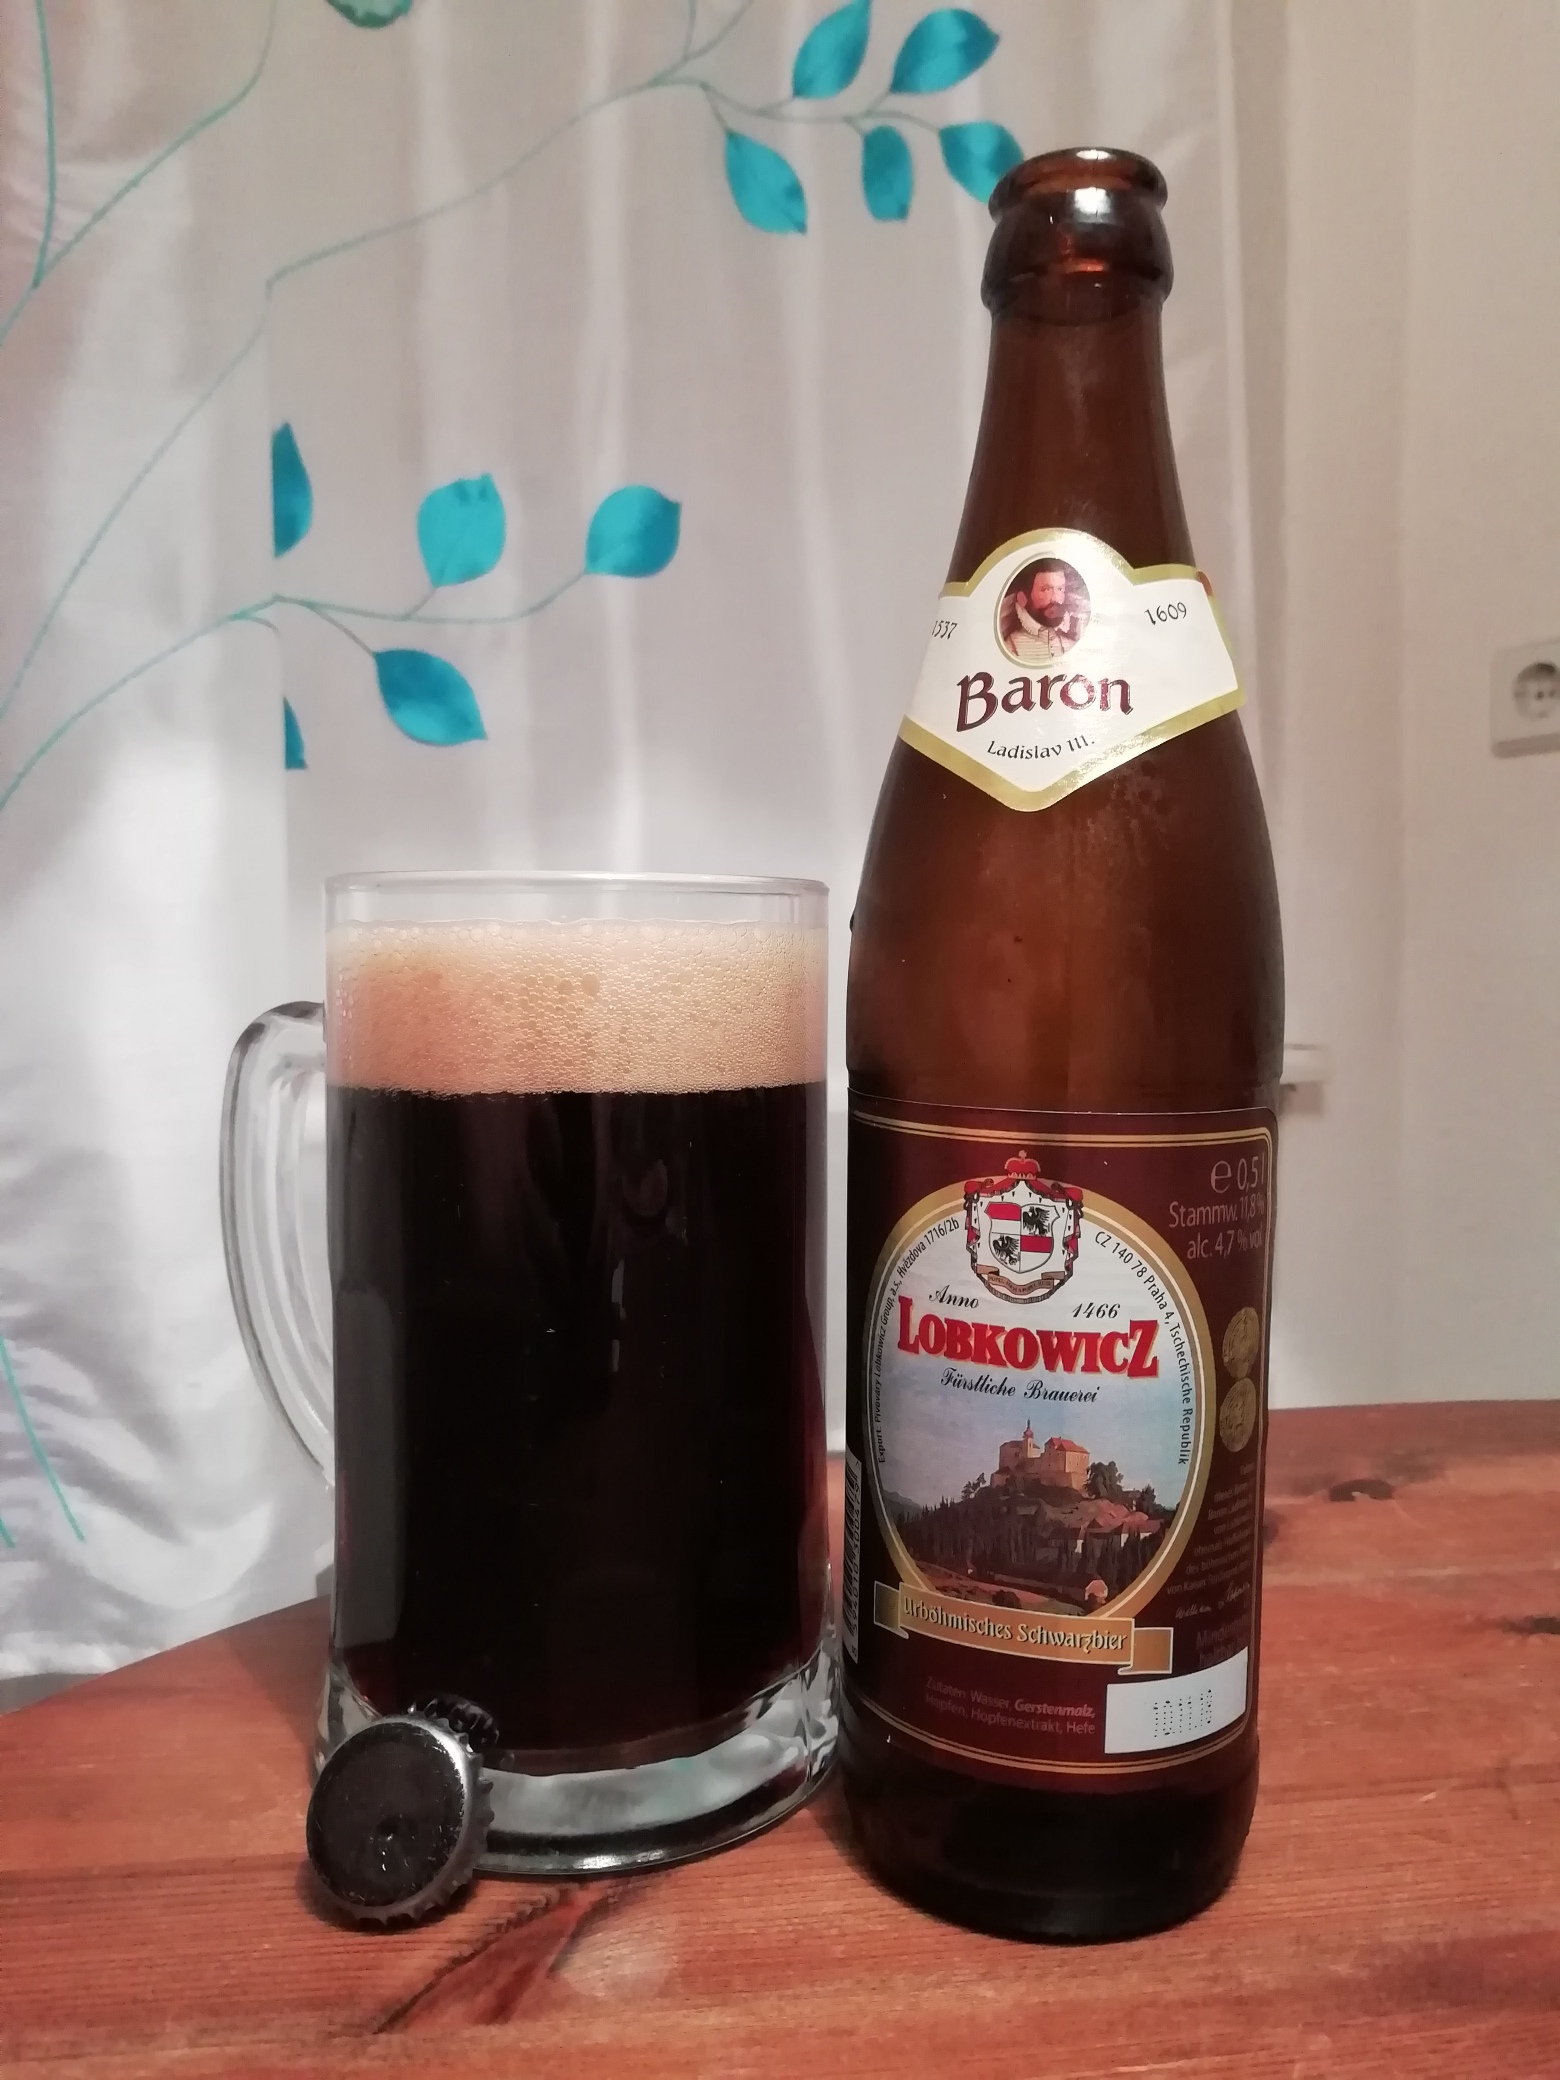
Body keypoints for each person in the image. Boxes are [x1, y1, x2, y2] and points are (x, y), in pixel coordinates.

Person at [1000, 558, 1084, 663]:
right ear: (1022, 599)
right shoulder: (1012, 647)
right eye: (1046, 590)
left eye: (1060, 589)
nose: (1055, 599)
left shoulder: (1073, 642)